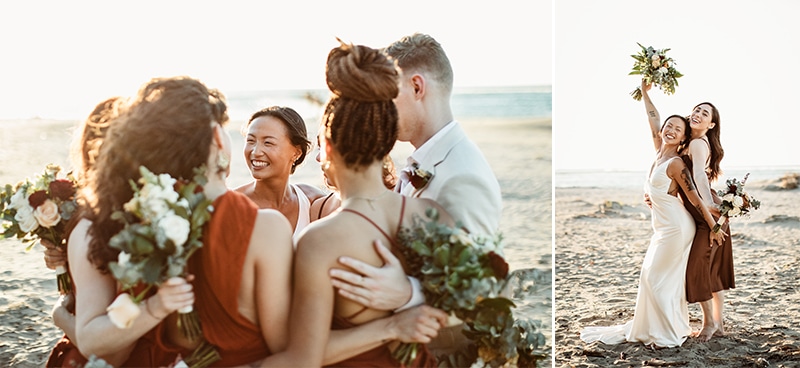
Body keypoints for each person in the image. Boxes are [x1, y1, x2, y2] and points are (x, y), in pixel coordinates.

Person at [258, 40, 450, 367]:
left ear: (328, 148)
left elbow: (304, 358)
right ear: (386, 139)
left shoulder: (319, 241)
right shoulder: (433, 214)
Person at [328, 32, 503, 356]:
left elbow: (481, 289)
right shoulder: (425, 158)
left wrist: (406, 293)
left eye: (388, 96)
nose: (379, 109)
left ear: (417, 87)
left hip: (441, 351)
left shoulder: (462, 176)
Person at [580, 115, 725, 348]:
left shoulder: (676, 163)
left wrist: (714, 225)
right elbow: (653, 119)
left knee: (657, 278)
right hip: (662, 228)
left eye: (677, 129)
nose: (670, 130)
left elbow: (695, 198)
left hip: (677, 229)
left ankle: (668, 331)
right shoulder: (659, 155)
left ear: (683, 137)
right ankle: (660, 326)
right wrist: (645, 91)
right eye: (669, 125)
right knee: (651, 277)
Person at [642, 82, 733, 341]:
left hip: (703, 213)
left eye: (705, 113)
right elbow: (655, 121)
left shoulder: (695, 145)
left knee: (700, 271)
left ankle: (710, 325)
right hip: (696, 212)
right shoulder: (685, 144)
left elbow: (698, 182)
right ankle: (718, 324)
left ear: (712, 124)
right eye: (696, 110)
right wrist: (645, 92)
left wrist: (713, 215)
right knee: (710, 272)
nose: (698, 114)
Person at [45, 96, 127, 367]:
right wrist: (65, 256)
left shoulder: (96, 222)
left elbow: (107, 352)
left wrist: (61, 317)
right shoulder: (158, 202)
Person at [235, 106, 339, 241]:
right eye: (251, 141)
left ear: (297, 152)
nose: (256, 152)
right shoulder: (233, 205)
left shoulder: (312, 202)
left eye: (268, 143)